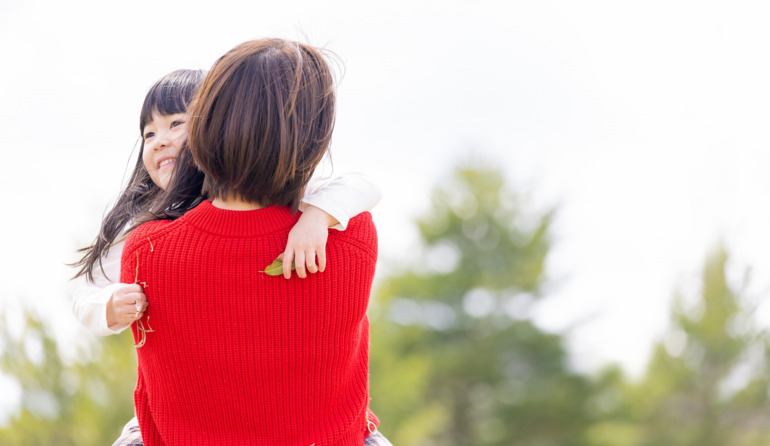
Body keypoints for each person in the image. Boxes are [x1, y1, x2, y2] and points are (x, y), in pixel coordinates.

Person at [71, 68, 382, 444]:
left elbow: (363, 185)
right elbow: (86, 295)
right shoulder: (144, 229)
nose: (158, 141)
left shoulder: (273, 192)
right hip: (177, 414)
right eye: (149, 133)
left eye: (175, 124)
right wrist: (108, 306)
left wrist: (318, 216)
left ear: (214, 131)